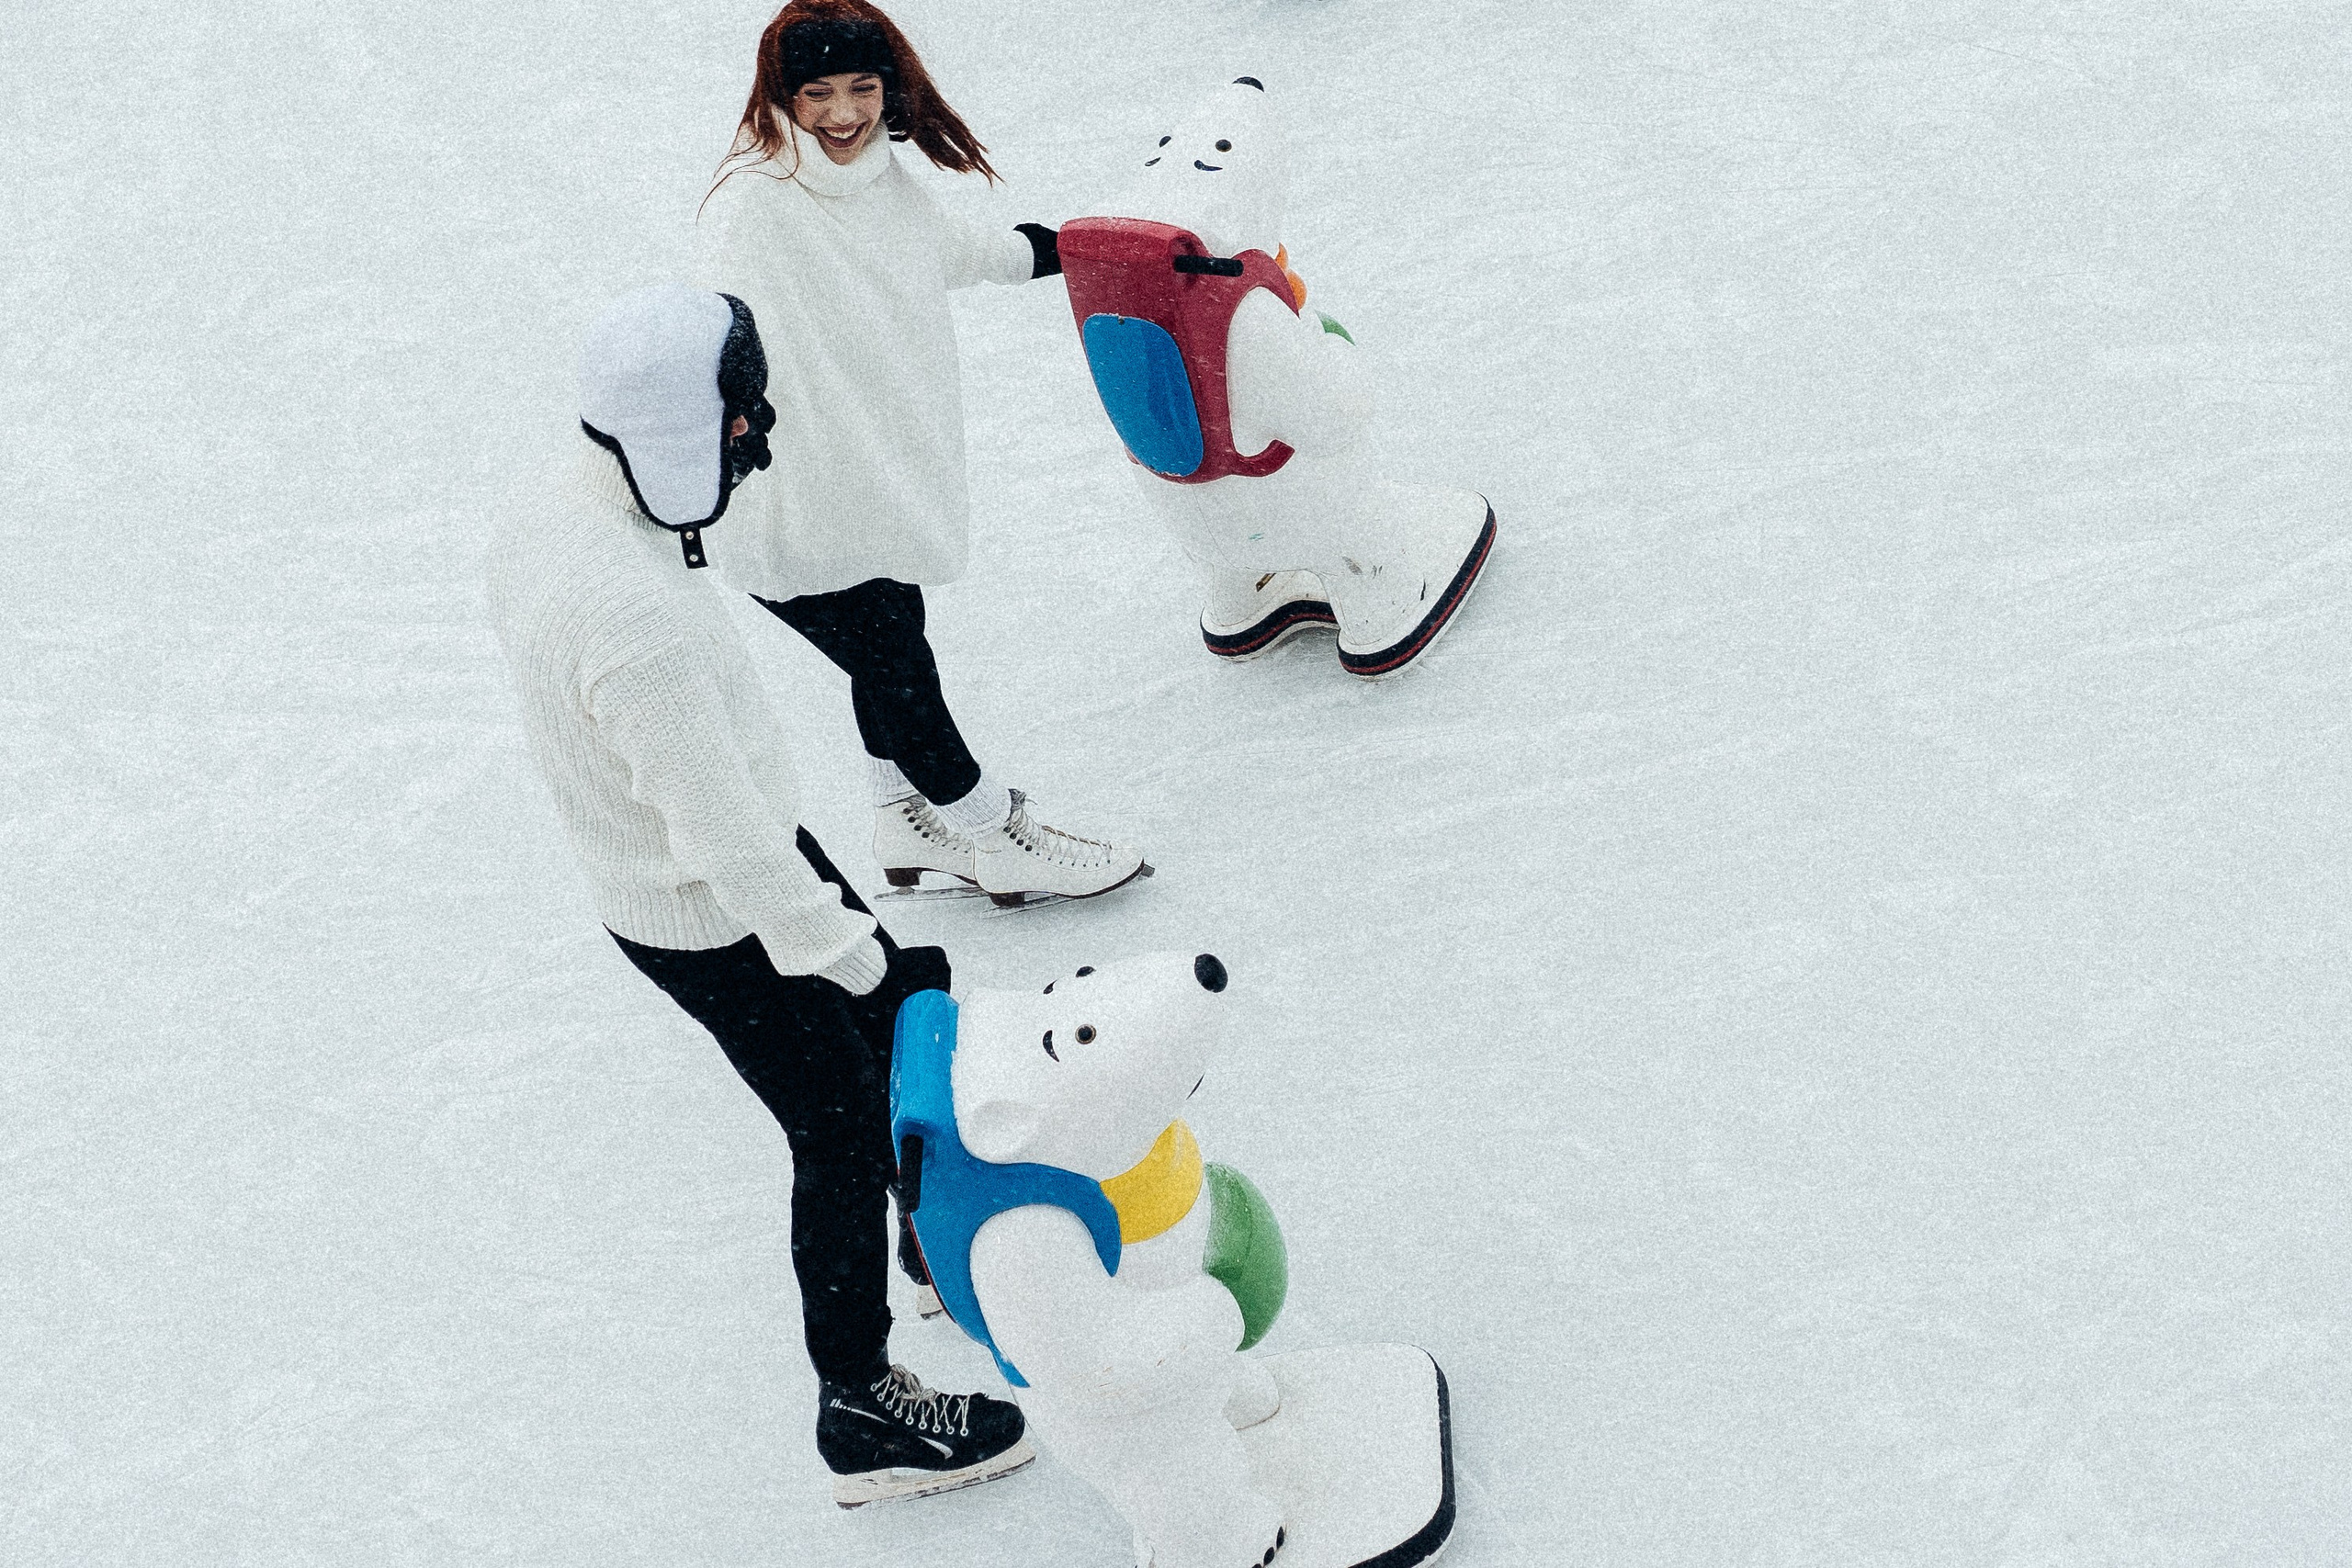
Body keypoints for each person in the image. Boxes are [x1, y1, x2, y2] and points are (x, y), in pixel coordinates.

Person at [485, 283, 1030, 1509]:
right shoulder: (638, 624)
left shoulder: (558, 501)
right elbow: (732, 853)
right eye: (742, 413)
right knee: (835, 1118)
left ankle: (931, 1228)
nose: (758, 433)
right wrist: (861, 957)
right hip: (710, 911)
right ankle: (859, 1402)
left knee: (890, 1024)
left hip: (697, 864)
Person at [700, 0, 1148, 908]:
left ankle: (901, 820)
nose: (842, 113)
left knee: (891, 650)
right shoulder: (753, 204)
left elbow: (966, 249)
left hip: (869, 481)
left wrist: (1095, 251)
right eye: (816, 93)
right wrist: (731, 433)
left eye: (860, 88)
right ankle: (991, 831)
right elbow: (724, 334)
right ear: (780, 96)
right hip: (788, 495)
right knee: (898, 666)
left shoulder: (879, 180)